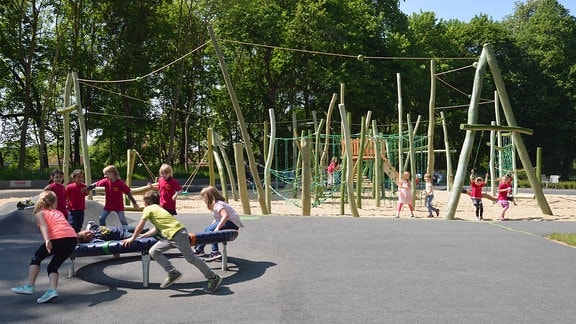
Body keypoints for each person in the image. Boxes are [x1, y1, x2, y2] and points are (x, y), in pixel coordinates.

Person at [121, 191, 222, 293]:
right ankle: (173, 272)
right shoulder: (159, 209)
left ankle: (213, 277)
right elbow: (156, 228)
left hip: (177, 233)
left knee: (190, 258)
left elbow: (140, 225)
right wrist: (143, 235)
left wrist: (132, 238)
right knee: (154, 251)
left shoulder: (148, 209)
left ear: (146, 202)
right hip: (171, 236)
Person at [11, 190, 78, 303]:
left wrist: (47, 240)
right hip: (72, 239)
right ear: (53, 202)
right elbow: (64, 226)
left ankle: (29, 286)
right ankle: (52, 290)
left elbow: (43, 225)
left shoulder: (40, 213)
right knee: (52, 266)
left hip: (58, 238)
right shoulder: (58, 212)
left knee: (36, 257)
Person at [194, 186, 244, 261]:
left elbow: (225, 216)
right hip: (228, 222)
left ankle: (215, 251)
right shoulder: (215, 204)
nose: (203, 199)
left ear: (209, 197)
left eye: (204, 197)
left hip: (232, 223)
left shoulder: (218, 205)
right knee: (207, 229)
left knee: (212, 231)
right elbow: (216, 219)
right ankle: (200, 249)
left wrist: (217, 228)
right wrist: (211, 227)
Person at [77, 221, 151, 243]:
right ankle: (153, 236)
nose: (89, 234)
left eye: (86, 233)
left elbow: (90, 222)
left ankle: (153, 231)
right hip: (122, 235)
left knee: (142, 229)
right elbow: (98, 242)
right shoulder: (96, 238)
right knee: (140, 235)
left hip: (123, 227)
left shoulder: (92, 227)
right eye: (88, 237)